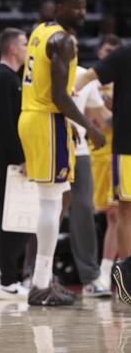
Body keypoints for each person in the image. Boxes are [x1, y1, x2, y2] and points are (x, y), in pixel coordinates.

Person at [18, 0, 105, 306]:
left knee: (53, 200)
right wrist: (89, 127)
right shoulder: (63, 41)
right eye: (76, 7)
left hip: (34, 116)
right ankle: (40, 284)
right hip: (47, 119)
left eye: (85, 7)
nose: (82, 13)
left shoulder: (40, 30)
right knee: (51, 202)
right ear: (61, 6)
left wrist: (68, 126)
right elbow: (59, 96)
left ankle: (40, 280)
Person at [75, 37, 131, 307]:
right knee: (122, 211)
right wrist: (71, 92)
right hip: (126, 148)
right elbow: (88, 76)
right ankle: (124, 273)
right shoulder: (124, 55)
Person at [0, 28, 30, 300]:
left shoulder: (11, 77)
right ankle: (7, 280)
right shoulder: (2, 77)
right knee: (10, 217)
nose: (28, 48)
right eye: (24, 43)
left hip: (10, 156)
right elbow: (3, 124)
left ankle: (2, 272)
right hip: (7, 157)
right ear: (12, 48)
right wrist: (20, 157)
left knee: (18, 217)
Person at [89, 35, 121, 291]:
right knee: (104, 216)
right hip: (97, 156)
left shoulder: (123, 82)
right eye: (107, 50)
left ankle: (108, 271)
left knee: (116, 214)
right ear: (100, 53)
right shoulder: (91, 84)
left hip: (121, 154)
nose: (111, 55)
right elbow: (94, 119)